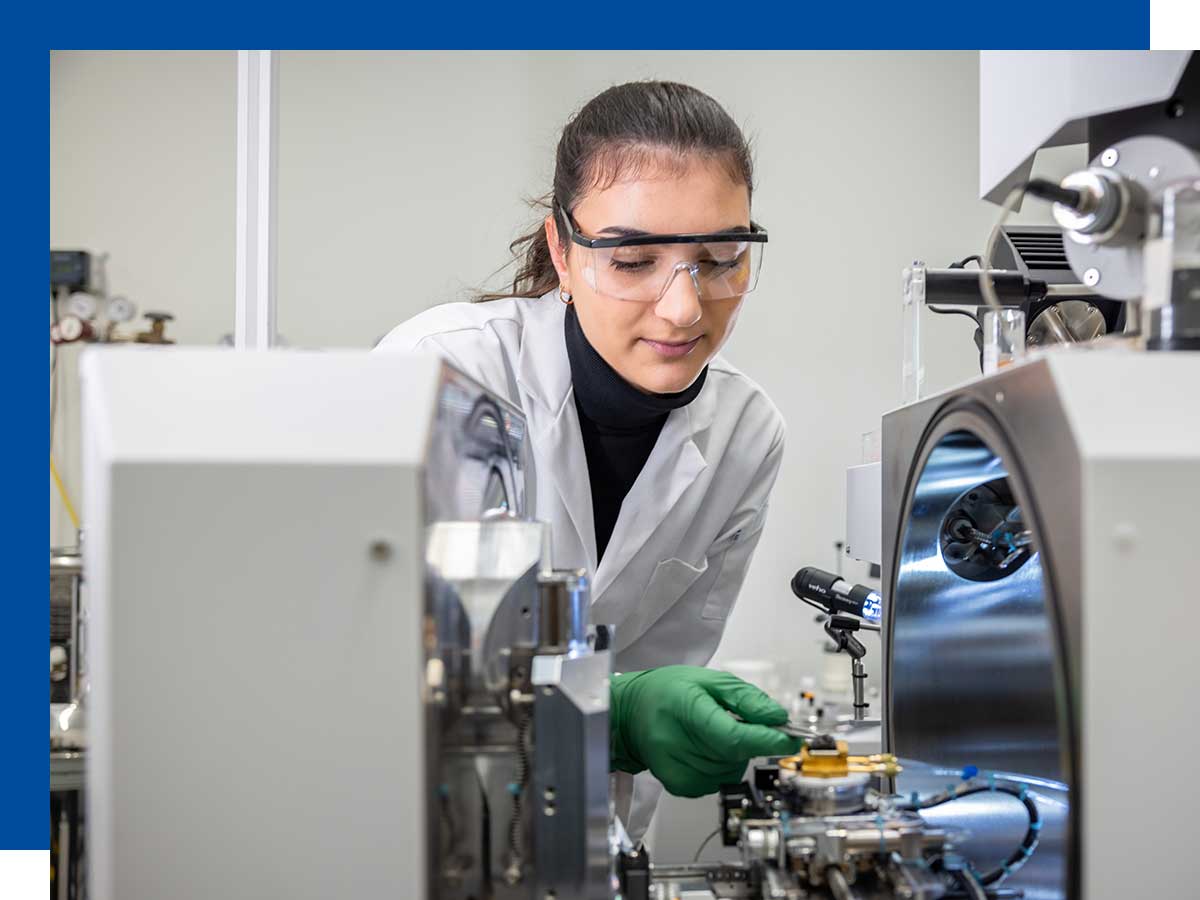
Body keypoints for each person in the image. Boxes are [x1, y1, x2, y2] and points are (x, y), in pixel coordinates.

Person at [378, 80, 798, 837]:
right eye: (633, 259)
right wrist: (618, 711)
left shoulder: (745, 431)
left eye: (721, 257)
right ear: (561, 254)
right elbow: (366, 667)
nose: (683, 308)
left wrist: (642, 721)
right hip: (395, 829)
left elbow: (654, 671)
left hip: (574, 835)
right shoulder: (436, 375)